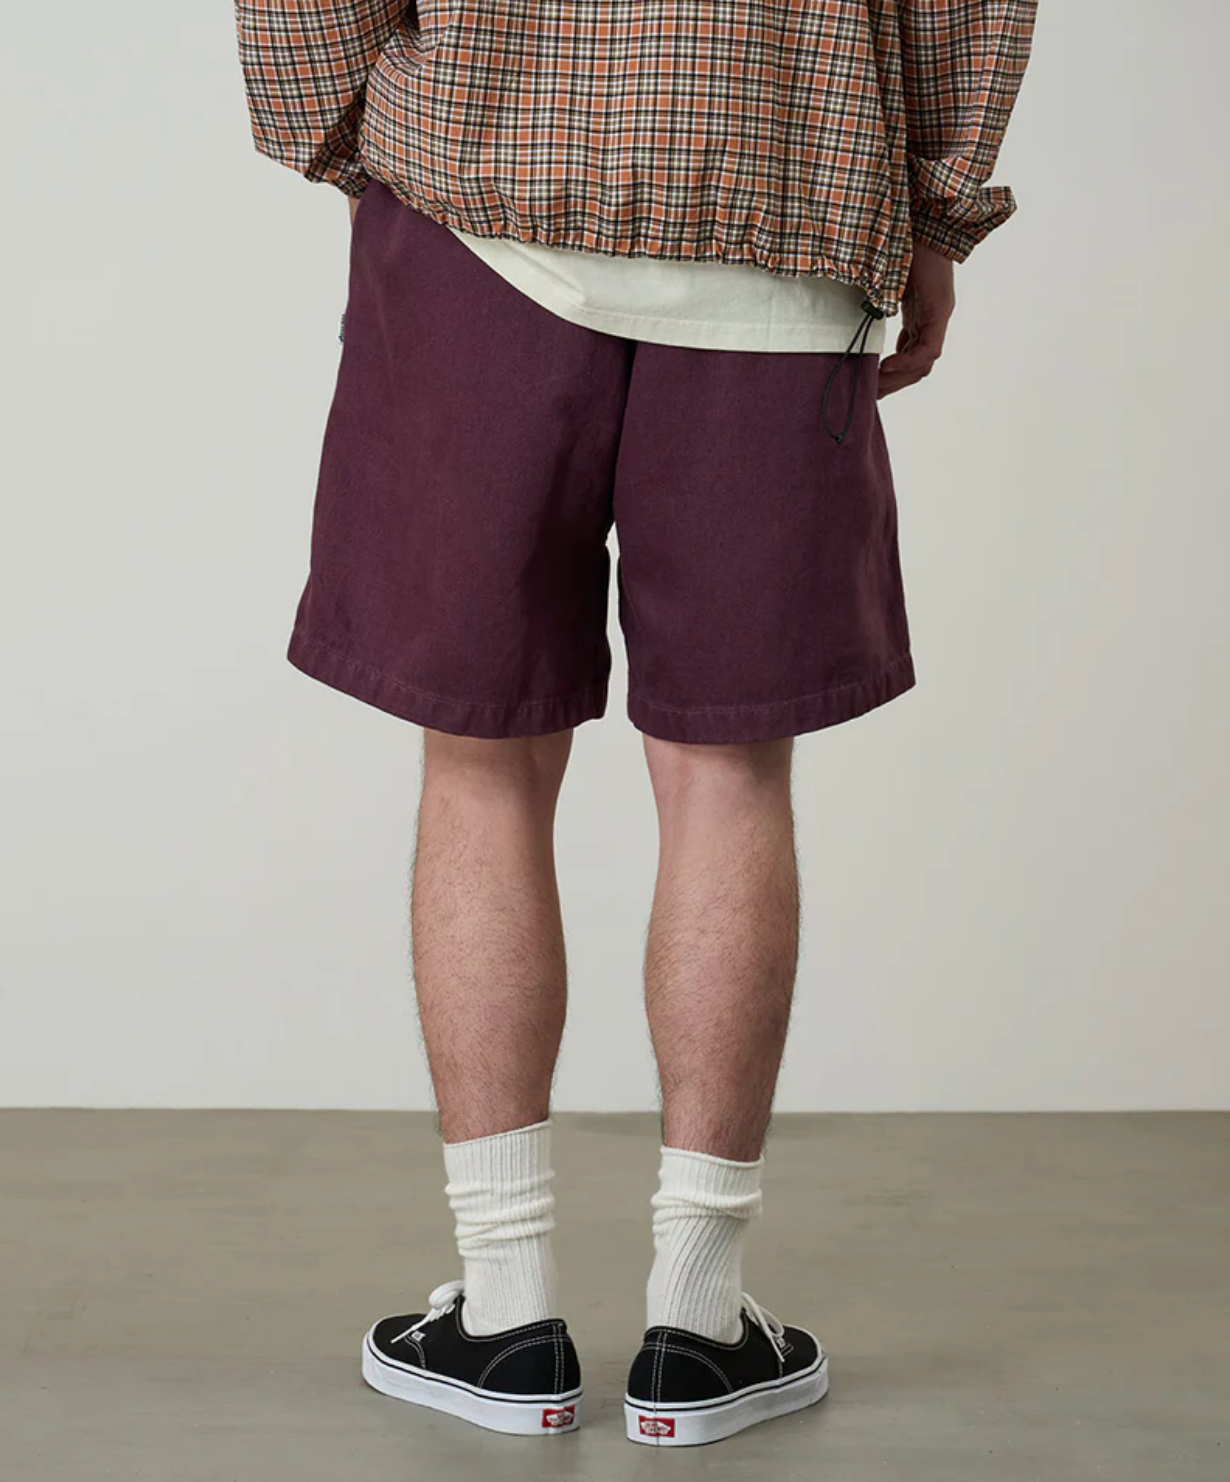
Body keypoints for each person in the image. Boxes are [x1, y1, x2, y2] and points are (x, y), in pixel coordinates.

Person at [235, 0, 1035, 1447]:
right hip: (781, 192)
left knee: (481, 762)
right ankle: (698, 1326)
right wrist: (931, 209)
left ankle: (505, 1317)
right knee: (727, 773)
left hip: (481, 186)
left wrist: (355, 133)